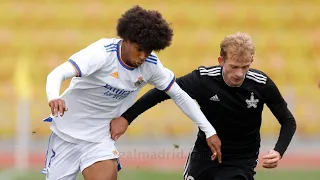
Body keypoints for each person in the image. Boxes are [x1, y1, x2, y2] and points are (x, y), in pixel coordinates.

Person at [42, 5, 221, 180]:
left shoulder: (151, 66)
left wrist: (209, 131)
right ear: (126, 39)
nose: (143, 56)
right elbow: (57, 73)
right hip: (66, 134)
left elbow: (180, 95)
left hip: (99, 138)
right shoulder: (102, 54)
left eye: (148, 51)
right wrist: (54, 97)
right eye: (139, 49)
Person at [110, 32, 297, 180]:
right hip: (204, 155)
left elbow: (288, 121)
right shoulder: (204, 79)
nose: (239, 73)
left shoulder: (261, 83)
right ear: (221, 61)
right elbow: (163, 91)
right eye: (234, 66)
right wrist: (127, 118)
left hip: (241, 160)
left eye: (245, 67)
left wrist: (278, 151)